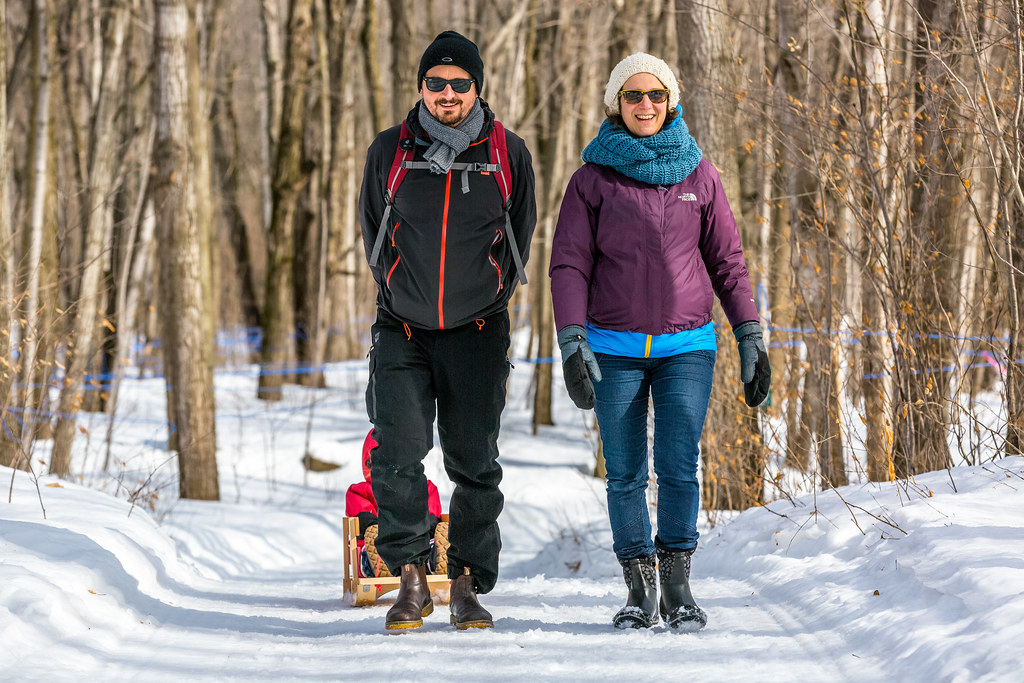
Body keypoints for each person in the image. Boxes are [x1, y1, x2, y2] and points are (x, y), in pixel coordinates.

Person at [549, 53, 771, 631]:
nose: (644, 105)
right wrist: (572, 339)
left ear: (671, 101)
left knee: (678, 467)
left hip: (687, 347)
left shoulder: (700, 173)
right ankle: (639, 588)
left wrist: (749, 332)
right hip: (613, 347)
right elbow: (568, 264)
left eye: (654, 95)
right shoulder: (592, 179)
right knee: (624, 472)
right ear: (615, 104)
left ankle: (677, 583)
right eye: (632, 95)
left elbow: (727, 260)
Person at [359, 30, 537, 631]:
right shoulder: (390, 150)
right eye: (436, 83)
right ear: (421, 88)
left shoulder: (508, 153)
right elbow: (373, 234)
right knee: (398, 452)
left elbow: (519, 236)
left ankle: (465, 583)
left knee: (474, 462)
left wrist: (492, 292)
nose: (448, 94)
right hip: (402, 330)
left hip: (477, 331)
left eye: (460, 84)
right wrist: (394, 288)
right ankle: (411, 577)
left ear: (477, 89)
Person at [345, 429, 446, 578]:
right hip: (373, 547)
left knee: (427, 501)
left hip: (417, 543)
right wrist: (373, 526)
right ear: (369, 464)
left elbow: (431, 505)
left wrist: (430, 523)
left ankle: (434, 556)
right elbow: (359, 510)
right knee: (372, 530)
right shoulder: (361, 491)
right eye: (379, 465)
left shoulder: (419, 488)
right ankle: (379, 559)